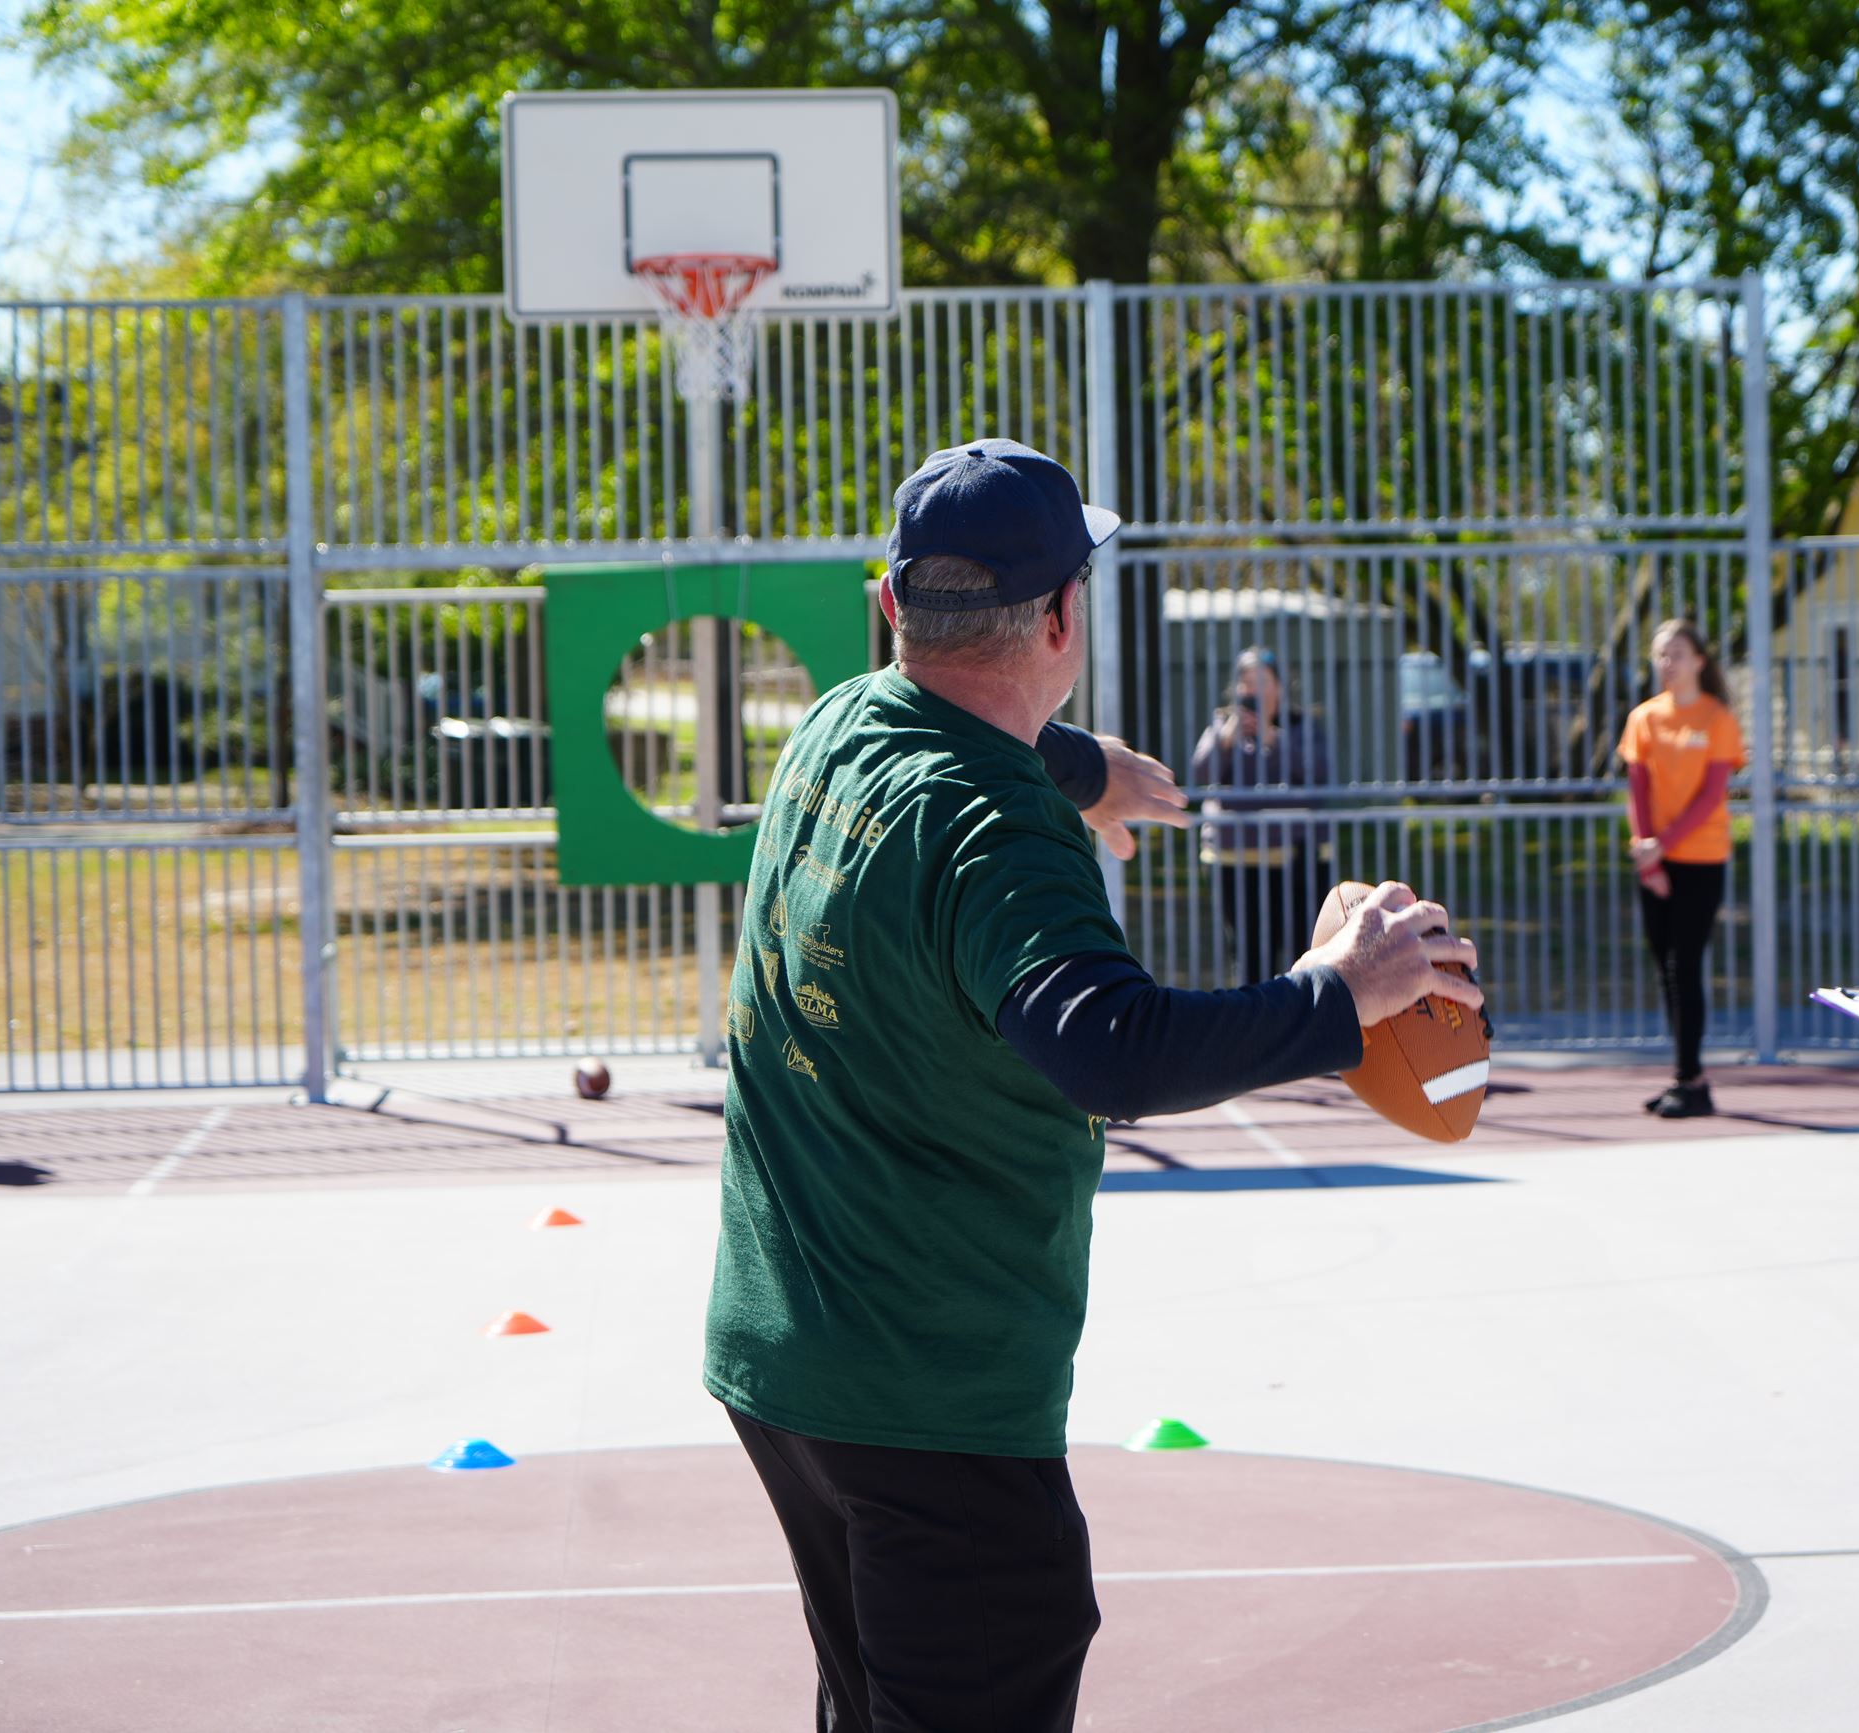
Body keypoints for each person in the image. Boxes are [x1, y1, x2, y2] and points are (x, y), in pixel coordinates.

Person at [704, 437, 1483, 1733]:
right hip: (930, 1391)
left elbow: (955, 717)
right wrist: (1339, 997)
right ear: (1067, 615)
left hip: (787, 1358)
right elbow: (1107, 1045)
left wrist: (1082, 766)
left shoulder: (839, 723)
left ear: (892, 602)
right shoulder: (995, 832)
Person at [1619, 618, 1744, 1118]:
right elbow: (1638, 789)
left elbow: (1711, 795)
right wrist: (1647, 852)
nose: (1668, 663)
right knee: (1665, 971)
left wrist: (1662, 845)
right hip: (1656, 861)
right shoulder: (1645, 718)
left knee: (1684, 967)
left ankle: (1690, 1080)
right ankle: (1686, 1075)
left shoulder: (1718, 720)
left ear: (1700, 660)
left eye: (1677, 653)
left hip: (1701, 858)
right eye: (1661, 654)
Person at [1189, 646, 1334, 985]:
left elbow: (1320, 779)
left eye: (1263, 681)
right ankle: (1258, 1031)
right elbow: (1199, 774)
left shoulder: (1301, 727)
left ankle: (1304, 1026)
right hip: (1237, 861)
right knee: (1251, 955)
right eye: (1245, 682)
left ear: (1280, 687)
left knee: (1306, 954)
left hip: (1298, 861)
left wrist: (1275, 740)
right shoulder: (1223, 727)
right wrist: (1226, 739)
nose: (1253, 690)